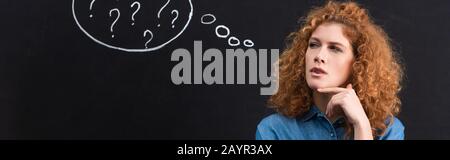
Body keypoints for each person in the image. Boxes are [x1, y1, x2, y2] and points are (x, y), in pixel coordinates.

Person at [256, 1, 405, 140]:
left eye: (334, 48)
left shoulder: (388, 130)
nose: (319, 56)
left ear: (358, 62)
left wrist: (361, 125)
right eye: (314, 45)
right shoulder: (274, 129)